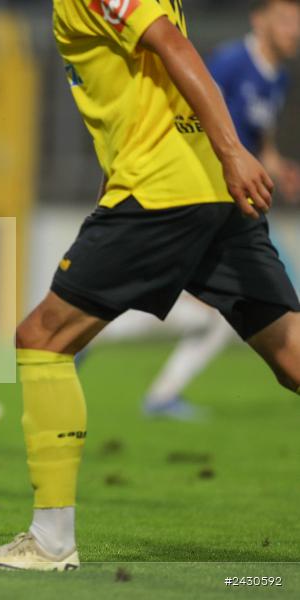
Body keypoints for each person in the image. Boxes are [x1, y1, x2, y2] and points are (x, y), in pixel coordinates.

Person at [0, 0, 300, 571]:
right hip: (210, 191)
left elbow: (172, 44)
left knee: (43, 338)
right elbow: (145, 83)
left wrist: (234, 149)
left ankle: (50, 541)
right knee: (291, 357)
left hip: (163, 193)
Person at [138, 0, 300, 419]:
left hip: (238, 203)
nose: (294, 29)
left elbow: (260, 138)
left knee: (222, 313)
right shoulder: (230, 62)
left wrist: (277, 166)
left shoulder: (276, 77)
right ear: (258, 19)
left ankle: (158, 392)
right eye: (286, 18)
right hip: (203, 197)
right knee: (258, 306)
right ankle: (84, 339)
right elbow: (192, 115)